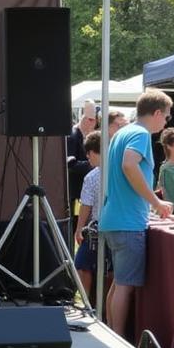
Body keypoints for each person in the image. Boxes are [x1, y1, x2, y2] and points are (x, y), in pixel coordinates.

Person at [99, 88, 174, 338]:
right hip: (127, 223)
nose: (166, 122)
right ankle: (119, 338)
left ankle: (112, 334)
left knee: (119, 283)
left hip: (114, 219)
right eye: (166, 117)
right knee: (125, 286)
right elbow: (129, 165)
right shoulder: (140, 134)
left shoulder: (122, 132)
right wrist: (156, 202)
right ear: (156, 113)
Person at [72, 129, 107, 303]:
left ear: (92, 152)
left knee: (81, 265)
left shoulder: (92, 177)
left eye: (88, 154)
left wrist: (78, 230)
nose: (88, 158)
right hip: (119, 226)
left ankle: (86, 304)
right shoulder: (120, 171)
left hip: (97, 229)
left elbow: (85, 205)